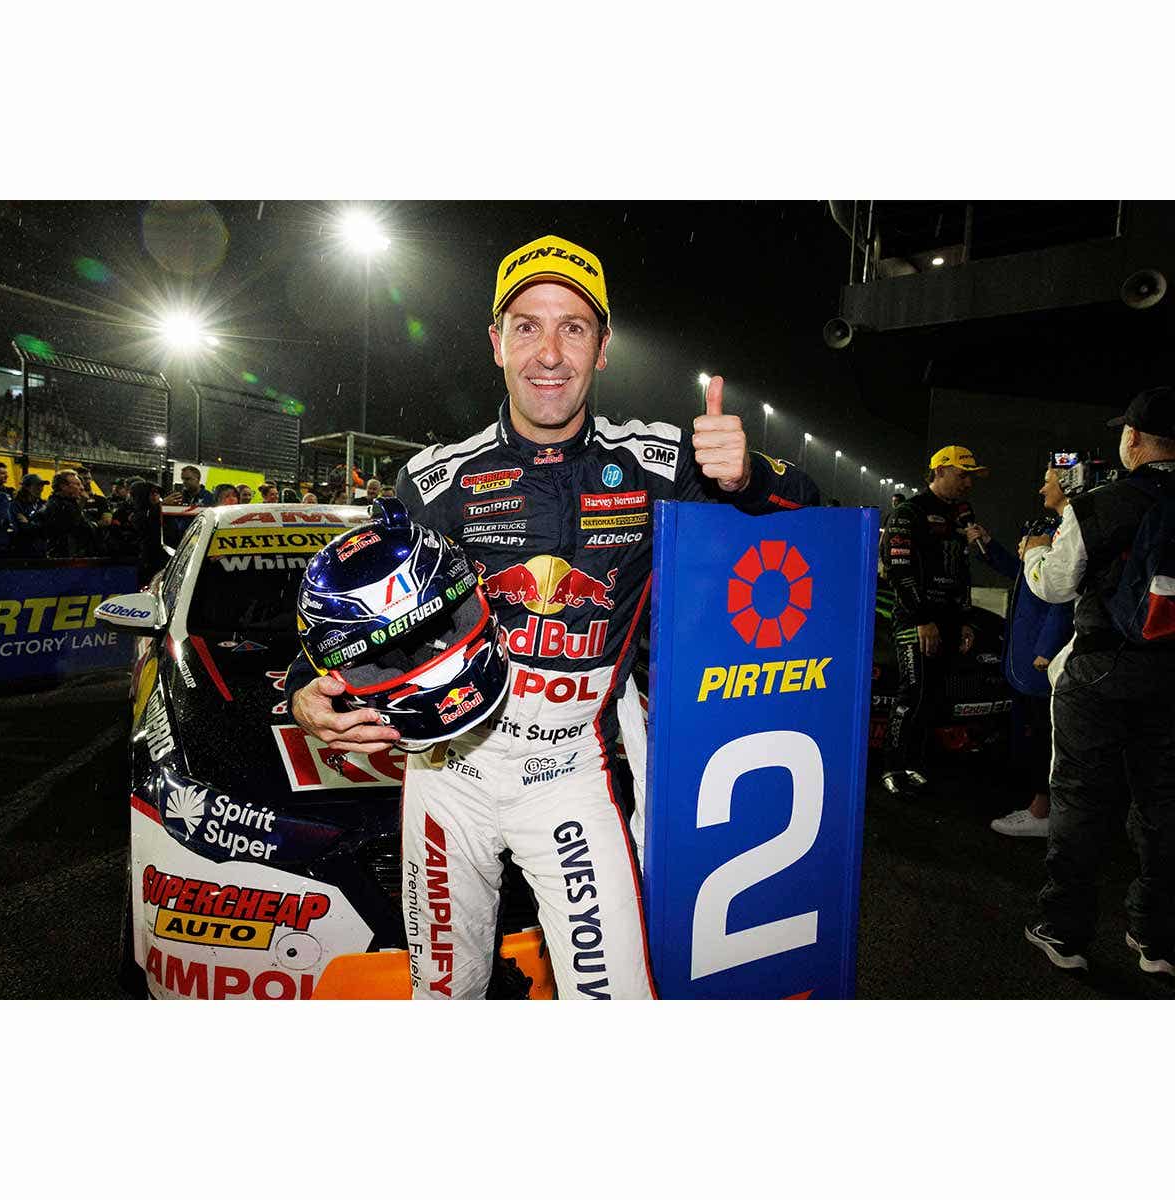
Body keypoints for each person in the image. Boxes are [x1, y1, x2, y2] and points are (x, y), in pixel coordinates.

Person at [285, 233, 820, 1000]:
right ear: (496, 342)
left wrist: (748, 475)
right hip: (447, 774)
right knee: (444, 995)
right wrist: (306, 690)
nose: (549, 353)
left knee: (616, 1000)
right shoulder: (433, 480)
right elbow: (355, 613)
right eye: (527, 326)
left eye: (573, 327)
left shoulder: (658, 460)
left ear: (602, 348)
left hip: (571, 778)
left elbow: (815, 510)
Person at [1021, 386, 1175, 976]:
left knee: (1081, 800)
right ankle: (1156, 938)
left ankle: (1064, 930)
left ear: (1132, 438)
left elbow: (1055, 585)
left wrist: (1035, 552)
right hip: (1169, 677)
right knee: (1163, 803)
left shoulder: (1103, 503)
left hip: (1101, 670)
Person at [965, 465, 1075, 837]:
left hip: (1040, 661)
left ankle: (1043, 812)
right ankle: (1038, 804)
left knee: (1042, 733)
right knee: (1029, 732)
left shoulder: (1068, 534)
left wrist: (1047, 647)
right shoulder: (1054, 529)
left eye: (1048, 481)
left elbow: (1064, 595)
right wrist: (989, 547)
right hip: (1026, 656)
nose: (1041, 488)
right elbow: (1024, 573)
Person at [879, 445, 988, 796]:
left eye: (972, 477)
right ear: (939, 471)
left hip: (950, 619)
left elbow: (962, 572)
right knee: (912, 693)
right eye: (963, 475)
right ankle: (892, 767)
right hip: (916, 619)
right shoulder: (908, 512)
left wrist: (966, 619)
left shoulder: (961, 516)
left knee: (933, 697)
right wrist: (922, 618)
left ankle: (915, 762)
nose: (969, 483)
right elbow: (898, 569)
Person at [41, 469, 102, 557]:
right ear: (63, 486)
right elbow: (71, 527)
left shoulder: (70, 504)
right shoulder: (55, 506)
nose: (82, 487)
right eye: (77, 484)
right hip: (64, 560)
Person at [9, 473, 49, 557]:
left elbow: (48, 527)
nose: (41, 488)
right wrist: (38, 525)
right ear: (26, 487)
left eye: (42, 485)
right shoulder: (16, 505)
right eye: (37, 486)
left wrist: (29, 523)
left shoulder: (43, 504)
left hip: (42, 550)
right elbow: (22, 529)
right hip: (23, 551)